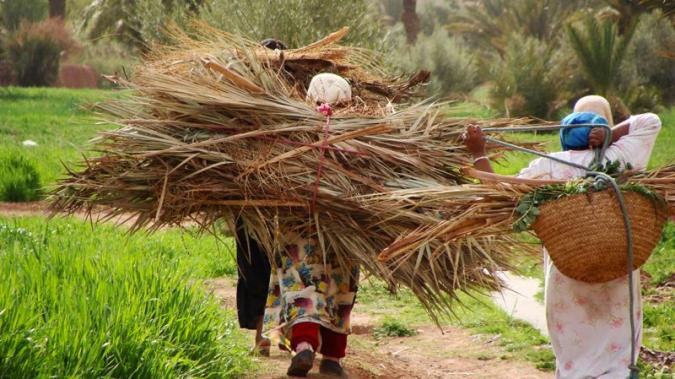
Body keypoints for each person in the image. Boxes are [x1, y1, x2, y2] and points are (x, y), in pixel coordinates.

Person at [462, 95, 662, 379]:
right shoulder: (622, 156)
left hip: (567, 272)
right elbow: (651, 121)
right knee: (616, 343)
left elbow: (498, 191)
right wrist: (612, 135)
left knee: (574, 347)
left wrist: (478, 151)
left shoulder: (550, 165)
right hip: (619, 267)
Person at [262, 73, 358, 378]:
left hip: (297, 228)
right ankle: (331, 358)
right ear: (348, 102)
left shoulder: (290, 129)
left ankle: (304, 346)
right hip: (343, 228)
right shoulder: (361, 136)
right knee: (338, 287)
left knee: (302, 286)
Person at [234, 38, 289, 357]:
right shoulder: (241, 100)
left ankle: (267, 337)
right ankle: (264, 337)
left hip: (272, 198)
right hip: (252, 197)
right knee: (260, 266)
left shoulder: (291, 102)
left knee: (268, 267)